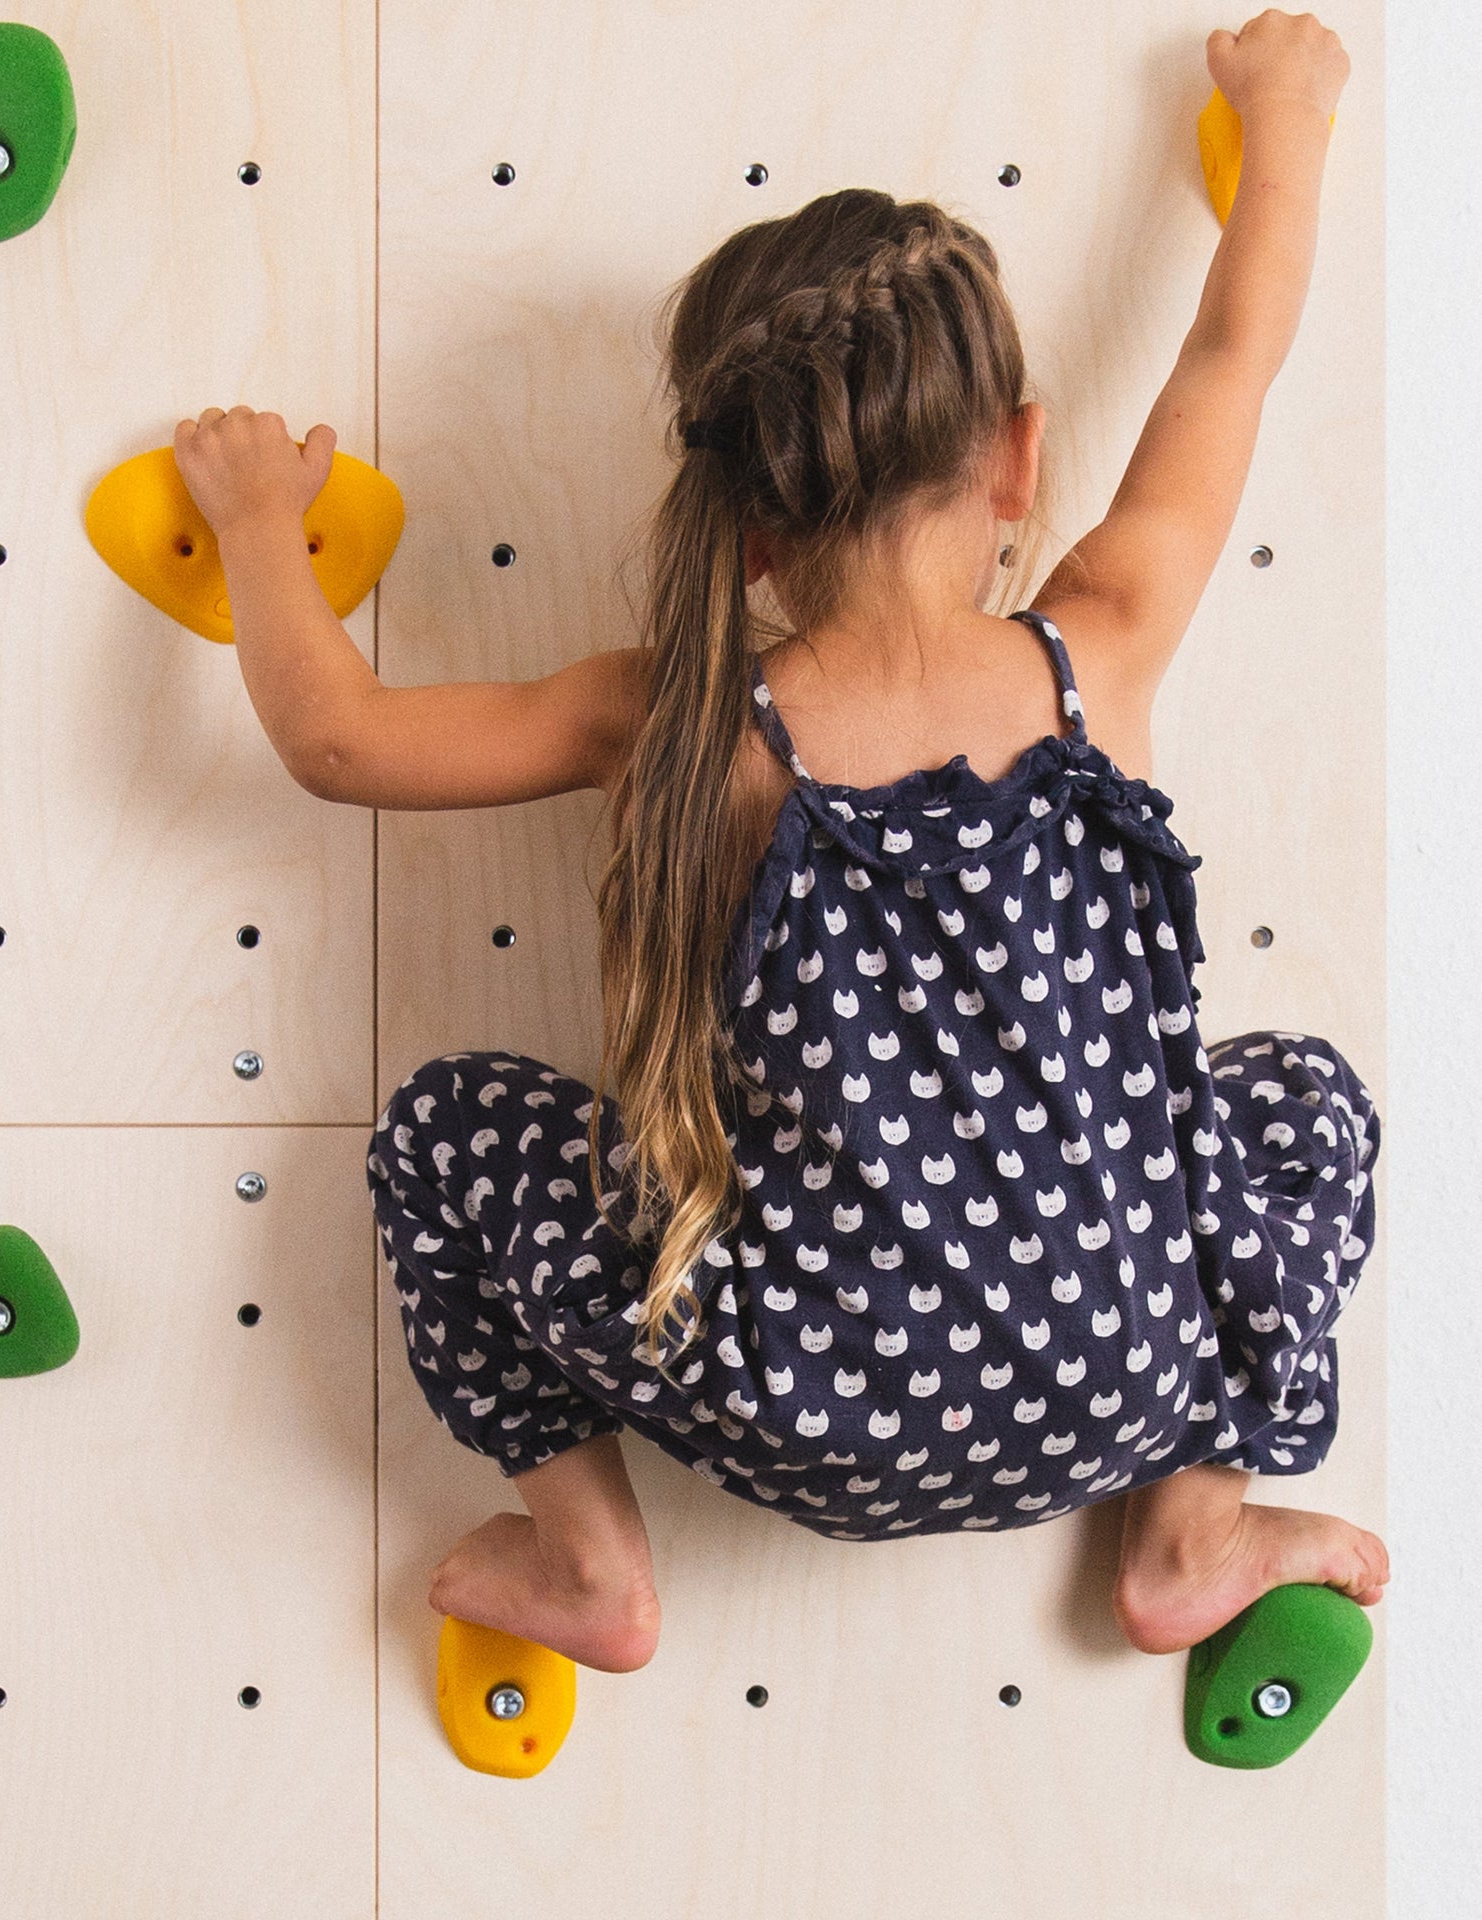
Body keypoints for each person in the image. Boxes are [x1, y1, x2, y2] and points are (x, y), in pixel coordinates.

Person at [174, 10, 1387, 1678]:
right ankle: (1191, 1528)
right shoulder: (1097, 645)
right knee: (1299, 1095)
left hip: (803, 1403)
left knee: (451, 1131)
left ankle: (595, 1566)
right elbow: (1232, 357)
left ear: (742, 518)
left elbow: (337, 741)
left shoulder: (681, 721)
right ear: (1022, 457)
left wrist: (252, 525)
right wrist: (1294, 112)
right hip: (1127, 1369)